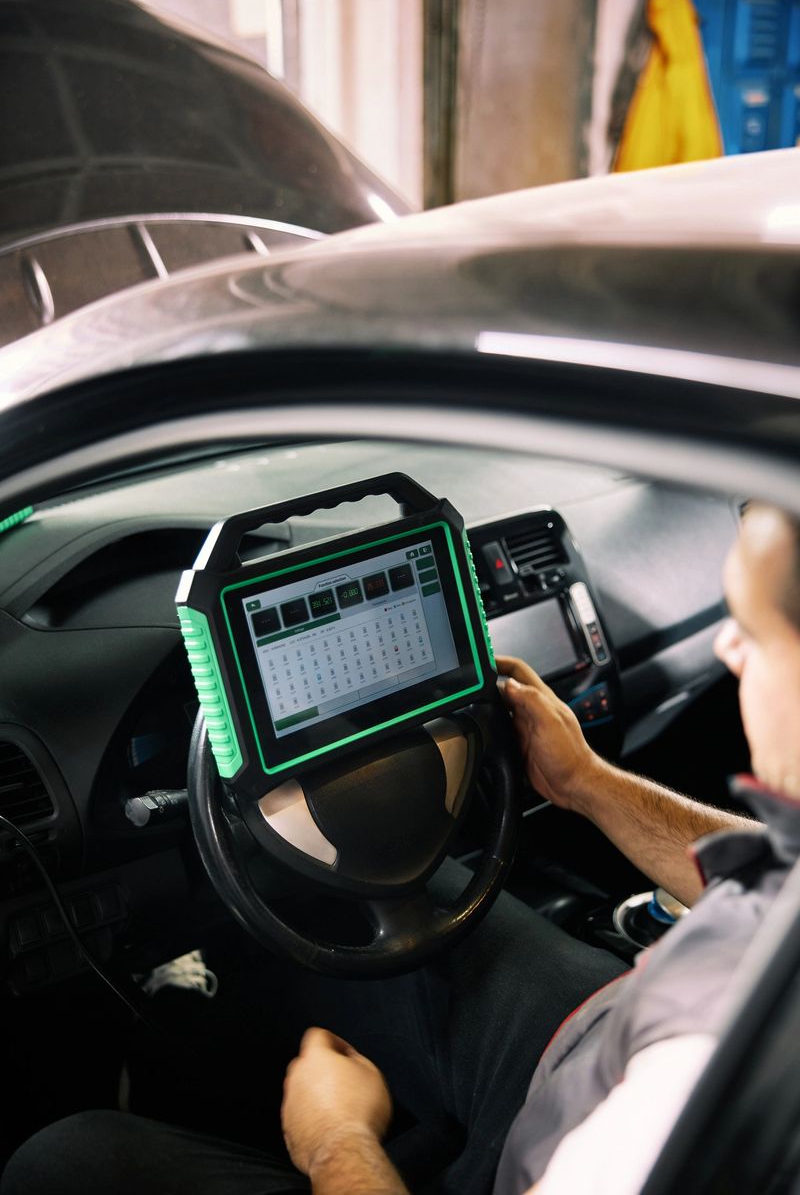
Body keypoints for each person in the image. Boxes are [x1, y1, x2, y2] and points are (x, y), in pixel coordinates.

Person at [3, 502, 799, 1195]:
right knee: (387, 912)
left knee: (61, 1164)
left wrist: (336, 1143)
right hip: (629, 1035)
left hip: (596, 1130)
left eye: (757, 633)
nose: (730, 649)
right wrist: (585, 781)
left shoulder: (649, 1143)